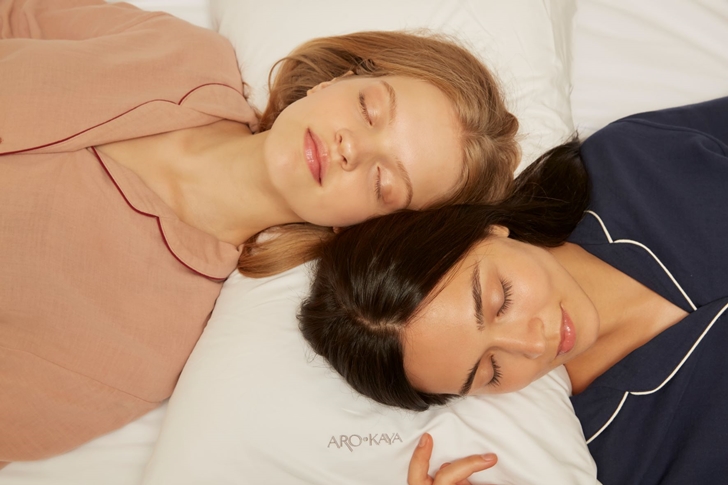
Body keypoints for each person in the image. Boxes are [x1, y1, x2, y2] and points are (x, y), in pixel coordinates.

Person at [0, 0, 520, 464]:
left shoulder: (144, 342)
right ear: (335, 81)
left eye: (383, 181)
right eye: (368, 109)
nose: (351, 147)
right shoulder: (183, 54)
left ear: (368, 229)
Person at [299, 97, 728, 485]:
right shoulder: (613, 458)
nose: (533, 344)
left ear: (487, 228)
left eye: (501, 299)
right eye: (490, 371)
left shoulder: (631, 163)